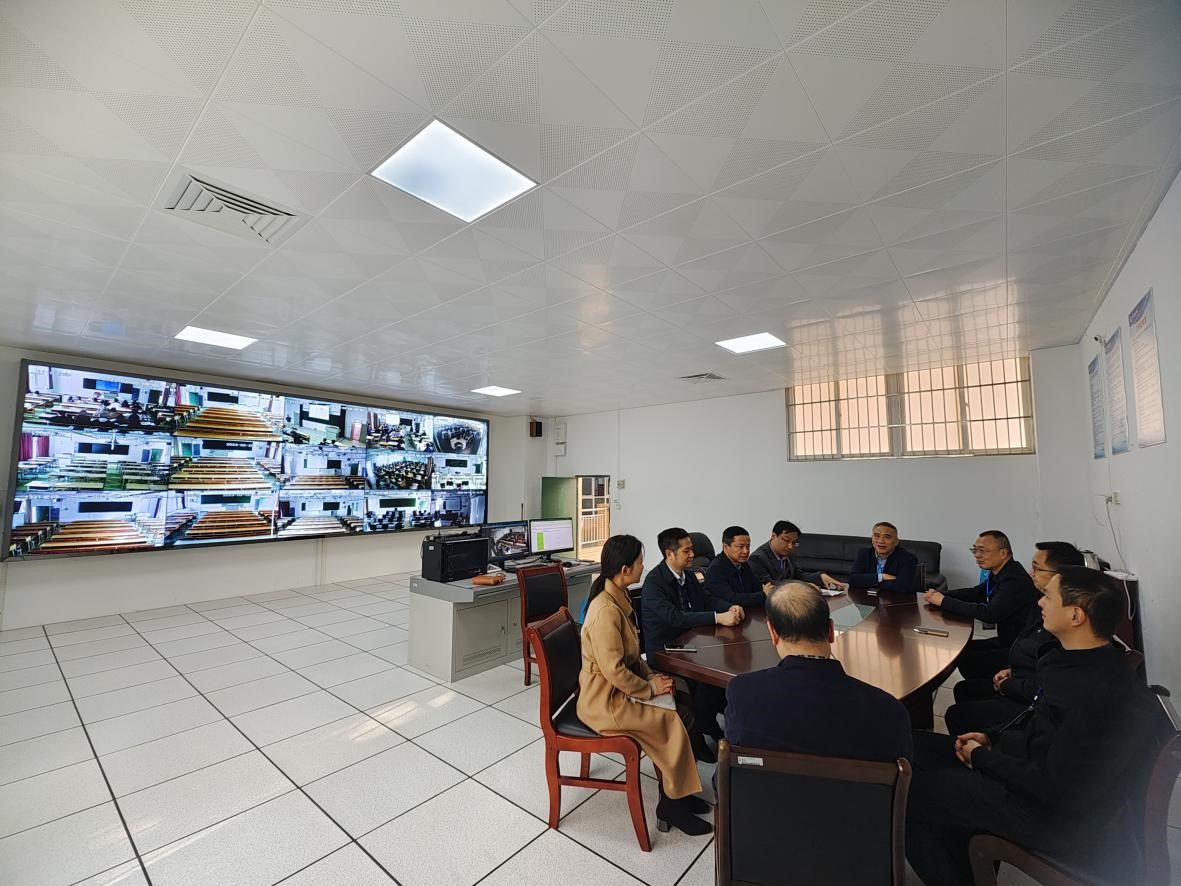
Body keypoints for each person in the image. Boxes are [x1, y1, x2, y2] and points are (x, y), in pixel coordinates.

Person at [906, 567, 1159, 886]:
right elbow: (1035, 718)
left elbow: (1056, 787)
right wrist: (991, 738)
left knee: (907, 795)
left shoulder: (1098, 693)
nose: (1039, 602)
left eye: (1049, 597)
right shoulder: (1076, 660)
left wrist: (983, 758)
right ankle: (963, 856)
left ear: (1076, 615)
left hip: (1052, 817)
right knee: (913, 747)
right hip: (1030, 770)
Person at [577, 534, 712, 837]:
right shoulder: (605, 611)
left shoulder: (620, 595)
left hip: (621, 689)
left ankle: (679, 792)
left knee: (684, 701)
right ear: (625, 569)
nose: (643, 566)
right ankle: (672, 805)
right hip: (605, 701)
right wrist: (650, 689)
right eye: (639, 562)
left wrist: (652, 678)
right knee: (676, 718)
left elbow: (632, 655)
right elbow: (614, 671)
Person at [725, 580, 913, 762]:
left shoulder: (743, 692)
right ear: (831, 631)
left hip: (765, 785)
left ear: (773, 633)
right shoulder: (888, 710)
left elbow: (728, 773)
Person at [944, 541, 1084, 736]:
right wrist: (1012, 670)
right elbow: (976, 593)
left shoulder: (1063, 622)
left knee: (958, 711)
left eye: (1036, 568)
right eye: (975, 550)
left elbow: (1045, 688)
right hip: (1019, 671)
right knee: (964, 687)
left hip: (1029, 701)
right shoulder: (1041, 600)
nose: (1031, 573)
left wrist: (1008, 685)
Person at [641, 528, 743, 763]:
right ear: (669, 554)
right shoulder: (654, 583)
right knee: (704, 680)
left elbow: (706, 599)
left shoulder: (688, 575)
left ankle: (707, 722)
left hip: (693, 643)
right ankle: (697, 735)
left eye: (692, 549)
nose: (692, 555)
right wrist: (717, 618)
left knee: (722, 668)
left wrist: (729, 607)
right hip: (667, 650)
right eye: (686, 551)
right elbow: (675, 617)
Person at [922, 530, 1037, 678]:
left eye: (982, 551)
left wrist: (943, 601)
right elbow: (976, 593)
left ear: (1003, 553)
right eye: (975, 550)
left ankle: (983, 687)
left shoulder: (1014, 580)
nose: (977, 555)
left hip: (1020, 647)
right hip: (1008, 640)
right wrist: (941, 595)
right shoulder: (1002, 571)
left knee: (967, 660)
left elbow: (989, 614)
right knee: (961, 649)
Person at [747, 520, 837, 587]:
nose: (790, 546)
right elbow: (770, 584)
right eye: (786, 541)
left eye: (794, 543)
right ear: (774, 536)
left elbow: (800, 575)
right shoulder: (757, 558)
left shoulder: (787, 552)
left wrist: (821, 576)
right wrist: (803, 586)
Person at [704, 525, 773, 607]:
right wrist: (763, 595)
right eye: (740, 547)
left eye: (748, 546)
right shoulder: (716, 569)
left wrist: (767, 590)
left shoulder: (743, 564)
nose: (745, 551)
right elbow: (732, 599)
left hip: (748, 609)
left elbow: (756, 587)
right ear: (726, 546)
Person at [846, 521, 920, 593]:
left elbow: (904, 586)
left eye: (887, 537)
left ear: (896, 542)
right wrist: (882, 577)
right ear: (872, 539)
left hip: (895, 599)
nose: (881, 541)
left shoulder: (908, 558)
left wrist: (868, 581)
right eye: (877, 536)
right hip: (867, 599)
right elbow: (852, 579)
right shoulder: (864, 553)